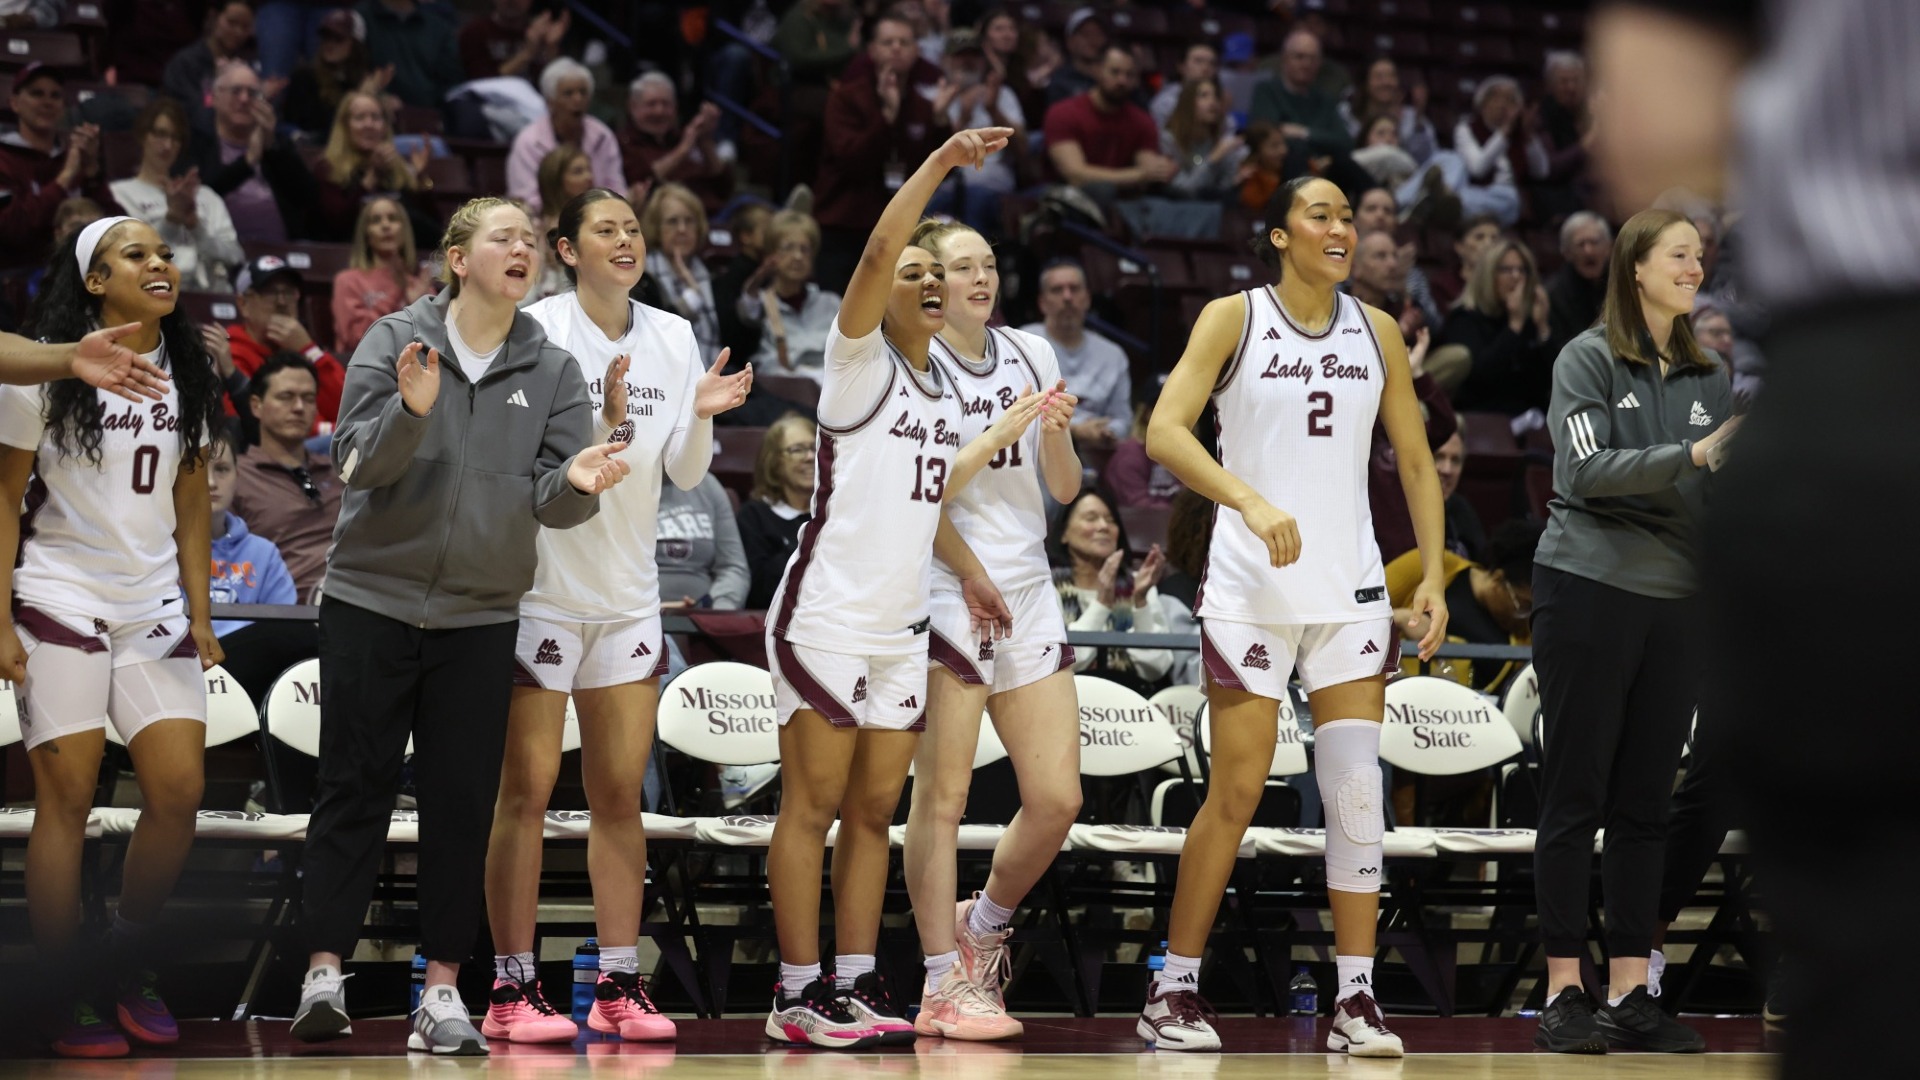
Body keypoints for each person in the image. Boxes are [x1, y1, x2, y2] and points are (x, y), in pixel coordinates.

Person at [289, 197, 632, 1056]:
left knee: (459, 804)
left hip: (481, 616)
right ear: (456, 259)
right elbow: (354, 465)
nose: (522, 249)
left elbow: (550, 507)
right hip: (370, 599)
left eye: (528, 240)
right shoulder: (395, 340)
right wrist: (410, 411)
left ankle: (443, 990)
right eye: (502, 238)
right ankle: (322, 971)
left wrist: (579, 484)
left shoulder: (551, 370)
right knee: (353, 787)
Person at [1138, 176, 1451, 1056]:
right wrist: (1246, 499)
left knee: (1356, 793)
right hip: (1251, 591)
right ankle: (1173, 989)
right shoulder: (1233, 318)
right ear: (1280, 235)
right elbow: (1165, 429)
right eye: (1322, 215)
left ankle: (1357, 1000)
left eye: (1350, 215)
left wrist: (1430, 576)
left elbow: (1418, 465)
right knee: (1235, 791)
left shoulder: (1377, 330)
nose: (1342, 227)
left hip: (1347, 590)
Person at [760, 126, 1045, 1049]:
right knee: (810, 805)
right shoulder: (857, 364)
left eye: (939, 275)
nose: (926, 282)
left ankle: (851, 982)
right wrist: (941, 165)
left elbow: (931, 495)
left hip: (901, 624)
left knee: (873, 812)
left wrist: (974, 570)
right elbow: (882, 246)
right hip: (827, 617)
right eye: (914, 274)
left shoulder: (935, 390)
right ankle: (795, 990)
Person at [483, 186, 751, 1044]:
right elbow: (513, 460)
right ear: (567, 249)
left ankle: (617, 982)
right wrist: (596, 423)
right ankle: (512, 987)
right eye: (607, 229)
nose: (626, 240)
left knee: (617, 800)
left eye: (633, 229)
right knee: (523, 794)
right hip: (541, 591)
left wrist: (700, 418)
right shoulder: (536, 329)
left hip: (630, 596)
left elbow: (679, 472)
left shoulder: (672, 334)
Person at [0, 215, 227, 1058]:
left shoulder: (191, 368)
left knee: (178, 794)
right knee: (66, 803)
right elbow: (3, 498)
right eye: (136, 255)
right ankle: (64, 988)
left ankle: (125, 961)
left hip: (151, 604)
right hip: (59, 595)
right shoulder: (44, 367)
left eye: (165, 253)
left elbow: (194, 500)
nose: (160, 263)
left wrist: (201, 613)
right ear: (96, 282)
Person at [1527, 208, 1741, 1056]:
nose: (1696, 268)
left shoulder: (1711, 372)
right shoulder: (1585, 357)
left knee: (1647, 802)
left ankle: (1629, 990)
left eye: (1700, 256)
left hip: (1675, 596)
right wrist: (1689, 462)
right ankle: (1561, 991)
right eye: (1679, 256)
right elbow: (1583, 471)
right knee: (1574, 792)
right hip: (1586, 582)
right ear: (1637, 269)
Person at [901, 216, 1082, 1041]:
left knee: (1056, 798)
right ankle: (941, 982)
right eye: (962, 266)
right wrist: (969, 570)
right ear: (932, 281)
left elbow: (1067, 488)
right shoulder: (916, 357)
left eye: (989, 263)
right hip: (948, 579)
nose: (981, 277)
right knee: (942, 797)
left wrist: (1050, 434)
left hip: (1031, 582)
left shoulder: (1033, 352)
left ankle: (982, 931)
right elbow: (919, 488)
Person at [814, 12, 954, 294]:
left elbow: (934, 172)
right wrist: (886, 118)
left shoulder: (921, 105)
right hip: (846, 226)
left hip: (899, 230)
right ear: (872, 50)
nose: (896, 48)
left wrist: (940, 123)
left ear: (917, 50)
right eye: (888, 41)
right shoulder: (845, 98)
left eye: (904, 42)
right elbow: (851, 160)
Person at [230, 353, 340, 603]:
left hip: (362, 592)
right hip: (291, 610)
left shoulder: (339, 470)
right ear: (256, 406)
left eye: (309, 399)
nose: (300, 407)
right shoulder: (235, 476)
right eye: (286, 397)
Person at [109, 98, 245, 295]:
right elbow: (129, 259)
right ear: (142, 136)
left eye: (175, 138)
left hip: (209, 298)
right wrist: (172, 219)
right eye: (160, 134)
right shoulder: (119, 194)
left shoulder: (206, 197)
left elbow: (235, 257)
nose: (167, 145)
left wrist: (196, 226)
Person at [1387, 518, 1538, 694]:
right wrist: (1400, 618)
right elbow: (1358, 607)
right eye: (1523, 605)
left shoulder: (1524, 637)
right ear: (1498, 579)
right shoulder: (1428, 566)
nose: (1525, 617)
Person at [204, 430, 303, 693]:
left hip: (253, 671)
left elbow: (288, 633)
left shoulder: (264, 552)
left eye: (222, 469)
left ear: (238, 477)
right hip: (185, 664)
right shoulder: (163, 549)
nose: (211, 482)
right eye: (199, 468)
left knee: (306, 635)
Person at [1047, 488, 1172, 691]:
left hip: (1131, 704)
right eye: (1091, 518)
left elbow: (1157, 667)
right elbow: (1062, 662)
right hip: (1068, 697)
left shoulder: (1139, 585)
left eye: (1110, 520)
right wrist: (1102, 602)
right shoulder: (1048, 586)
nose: (1103, 526)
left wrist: (1140, 601)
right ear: (1064, 534)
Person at [0, 64, 121, 274]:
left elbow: (117, 229)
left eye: (55, 96)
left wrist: (92, 171)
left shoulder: (74, 159)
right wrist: (64, 179)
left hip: (78, 277)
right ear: (15, 103)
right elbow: (10, 229)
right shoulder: (4, 158)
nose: (47, 102)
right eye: (36, 93)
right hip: (16, 280)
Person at [186, 62, 316, 244]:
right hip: (218, 251)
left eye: (253, 93)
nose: (244, 99)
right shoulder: (197, 142)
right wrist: (247, 162)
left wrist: (271, 147)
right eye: (236, 91)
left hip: (280, 252)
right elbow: (202, 195)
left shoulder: (276, 144)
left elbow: (307, 197)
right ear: (215, 97)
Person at [1041, 46, 1176, 206]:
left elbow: (1149, 169)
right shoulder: (1063, 113)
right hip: (1065, 198)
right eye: (1115, 72)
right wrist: (1139, 175)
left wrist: (1162, 170)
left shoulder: (1142, 121)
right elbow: (1076, 175)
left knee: (1173, 194)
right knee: (1102, 191)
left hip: (1121, 200)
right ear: (1098, 71)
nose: (1122, 81)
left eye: (1129, 75)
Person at [227, 256, 347, 427]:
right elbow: (255, 423)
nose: (282, 302)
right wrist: (326, 430)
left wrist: (310, 350)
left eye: (289, 292)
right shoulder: (232, 353)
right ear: (243, 303)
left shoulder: (303, 348)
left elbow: (347, 408)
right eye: (270, 293)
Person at [1020, 260, 1129, 449]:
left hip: (1098, 452)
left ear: (1087, 298)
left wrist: (1106, 432)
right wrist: (1076, 431)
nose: (1067, 297)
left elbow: (1123, 418)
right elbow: (1016, 411)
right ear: (1042, 303)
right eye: (1057, 290)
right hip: (1039, 450)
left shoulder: (1113, 355)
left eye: (1075, 289)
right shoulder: (1022, 343)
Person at [1439, 238, 1556, 415]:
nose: (1516, 276)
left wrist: (1543, 329)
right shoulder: (1464, 319)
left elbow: (1553, 381)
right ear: (1488, 275)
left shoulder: (1530, 320)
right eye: (1506, 270)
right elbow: (1481, 378)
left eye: (1522, 270)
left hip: (1532, 419)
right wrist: (1514, 326)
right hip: (1484, 420)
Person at [308, 91, 435, 244]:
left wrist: (420, 179)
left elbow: (432, 230)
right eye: (360, 117)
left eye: (375, 118)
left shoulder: (398, 167)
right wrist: (371, 178)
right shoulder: (327, 167)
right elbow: (336, 225)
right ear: (345, 126)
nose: (369, 125)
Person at [507, 58, 626, 217]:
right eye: (568, 93)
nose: (577, 99)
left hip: (600, 218)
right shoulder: (529, 141)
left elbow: (616, 188)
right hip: (543, 221)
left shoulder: (603, 135)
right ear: (551, 102)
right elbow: (525, 199)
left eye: (583, 92)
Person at [739, 210, 841, 379]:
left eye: (805, 249)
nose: (798, 256)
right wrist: (758, 279)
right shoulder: (760, 303)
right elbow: (747, 312)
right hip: (784, 387)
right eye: (788, 248)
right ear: (771, 255)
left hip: (833, 386)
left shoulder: (831, 303)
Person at [333, 197, 435, 359]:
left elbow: (434, 340)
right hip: (365, 367)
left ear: (404, 230)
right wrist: (396, 293)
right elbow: (355, 338)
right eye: (376, 220)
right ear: (366, 232)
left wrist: (417, 304)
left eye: (393, 219)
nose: (385, 225)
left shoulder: (418, 286)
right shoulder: (348, 280)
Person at [619, 74, 732, 214]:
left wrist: (705, 141)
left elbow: (723, 187)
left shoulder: (682, 138)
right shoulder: (622, 143)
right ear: (632, 106)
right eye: (651, 104)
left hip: (710, 214)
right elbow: (643, 182)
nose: (659, 111)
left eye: (666, 104)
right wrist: (684, 148)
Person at [634, 184, 721, 362]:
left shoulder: (712, 274)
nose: (682, 229)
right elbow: (652, 338)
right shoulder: (642, 277)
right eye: (673, 221)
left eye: (689, 221)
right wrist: (691, 298)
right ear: (657, 229)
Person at [738, 414, 816, 610]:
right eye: (797, 450)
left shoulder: (836, 511)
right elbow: (759, 590)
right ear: (774, 461)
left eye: (815, 448)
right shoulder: (754, 516)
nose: (810, 457)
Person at [1248, 30, 1353, 162]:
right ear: (1285, 59)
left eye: (1313, 59)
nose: (1306, 64)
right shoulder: (1267, 91)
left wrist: (1303, 132)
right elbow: (1265, 138)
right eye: (1299, 57)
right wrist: (1322, 142)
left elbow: (1345, 142)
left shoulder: (1325, 99)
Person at [161, 0, 257, 134]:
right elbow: (197, 118)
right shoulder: (186, 64)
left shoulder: (247, 67)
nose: (238, 32)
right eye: (232, 23)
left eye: (245, 27)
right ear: (213, 17)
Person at [658, 472, 750, 611]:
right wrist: (647, 610)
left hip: (705, 616)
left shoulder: (707, 484)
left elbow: (733, 567)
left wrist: (717, 611)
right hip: (636, 615)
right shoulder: (621, 485)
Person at [356, 0, 465, 113]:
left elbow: (452, 83)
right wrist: (374, 97)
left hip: (427, 118)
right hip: (369, 115)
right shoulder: (358, 20)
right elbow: (348, 75)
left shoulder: (439, 27)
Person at [280, 8, 373, 137]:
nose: (330, 44)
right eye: (326, 37)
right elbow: (290, 124)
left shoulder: (362, 81)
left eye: (338, 39)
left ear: (355, 44)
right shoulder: (304, 78)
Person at [525, 146, 595, 306]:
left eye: (589, 169)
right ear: (556, 180)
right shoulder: (540, 228)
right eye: (578, 171)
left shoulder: (593, 219)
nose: (589, 177)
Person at [1160, 77, 1246, 207]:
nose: (1212, 102)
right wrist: (1213, 159)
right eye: (1204, 96)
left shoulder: (1219, 140)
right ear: (1187, 103)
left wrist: (1236, 179)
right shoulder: (1168, 140)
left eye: (1215, 96)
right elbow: (1185, 190)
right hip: (1177, 211)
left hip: (1211, 209)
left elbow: (1224, 187)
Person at [1339, 57, 1436, 165]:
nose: (1386, 82)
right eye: (1378, 76)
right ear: (1366, 82)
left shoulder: (1413, 119)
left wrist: (1418, 118)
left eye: (1391, 76)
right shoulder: (1347, 115)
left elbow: (1427, 160)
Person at [1546, 211, 1613, 352]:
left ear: (1608, 247)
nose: (1588, 251)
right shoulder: (1554, 294)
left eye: (1594, 242)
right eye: (1580, 244)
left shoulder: (1623, 282)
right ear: (1566, 252)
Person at [459, 0, 568, 83]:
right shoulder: (474, 32)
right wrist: (527, 53)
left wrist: (551, 48)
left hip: (535, 108)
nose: (511, 1)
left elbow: (556, 87)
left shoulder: (542, 32)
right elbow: (482, 85)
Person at [1149, 41, 1217, 128]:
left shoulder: (1218, 99)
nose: (1206, 68)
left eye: (1212, 63)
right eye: (1198, 61)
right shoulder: (1166, 102)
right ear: (1182, 67)